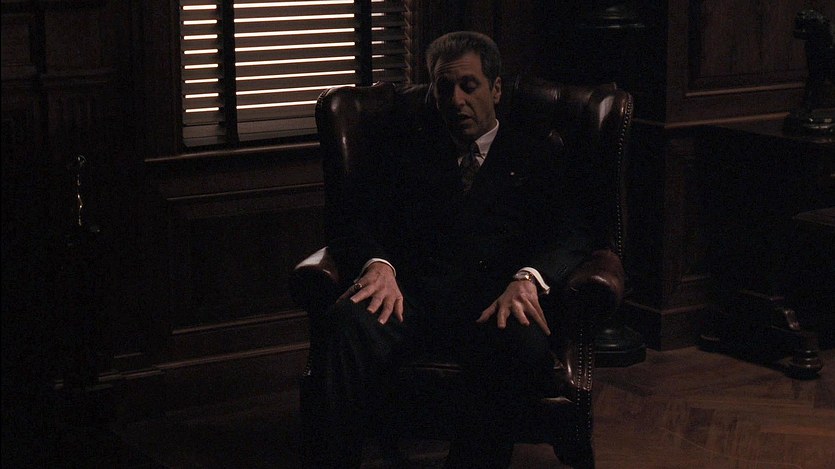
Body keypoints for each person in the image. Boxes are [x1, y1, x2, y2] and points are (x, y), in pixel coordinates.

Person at [314, 31, 592, 468]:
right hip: (410, 298)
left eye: (469, 86)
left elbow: (573, 233)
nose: (456, 100)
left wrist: (529, 278)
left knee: (521, 343)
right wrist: (377, 265)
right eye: (444, 88)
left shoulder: (536, 152)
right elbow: (353, 220)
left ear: (495, 90)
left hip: (494, 302)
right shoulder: (406, 149)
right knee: (347, 322)